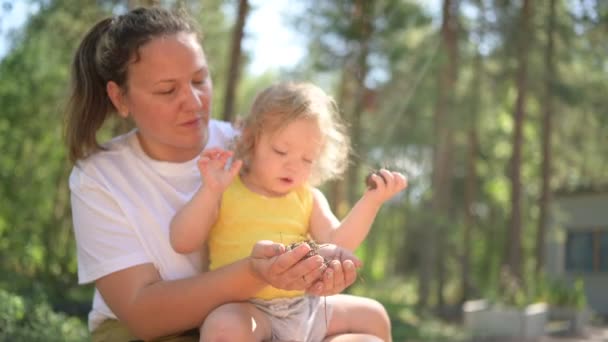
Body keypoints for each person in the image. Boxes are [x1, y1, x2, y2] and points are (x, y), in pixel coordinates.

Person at [65, 7, 362, 342]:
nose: (193, 102)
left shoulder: (248, 144)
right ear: (120, 98)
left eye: (199, 80)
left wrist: (318, 270)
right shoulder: (99, 177)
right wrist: (255, 273)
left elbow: (303, 215)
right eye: (167, 90)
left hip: (261, 318)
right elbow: (143, 315)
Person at [170, 82, 408, 342]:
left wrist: (371, 201)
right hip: (247, 309)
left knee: (374, 316)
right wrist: (210, 191)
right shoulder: (227, 189)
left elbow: (338, 244)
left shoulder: (307, 197)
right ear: (250, 138)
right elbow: (183, 241)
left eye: (307, 159)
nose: (293, 166)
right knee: (223, 329)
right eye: (281, 151)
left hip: (305, 307)